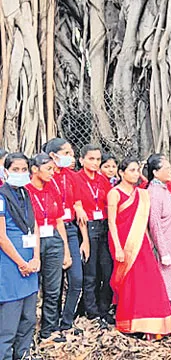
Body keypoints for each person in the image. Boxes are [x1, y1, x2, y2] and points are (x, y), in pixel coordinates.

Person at [106, 158, 171, 338]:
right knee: (129, 283)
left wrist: (149, 241)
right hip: (123, 243)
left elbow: (143, 221)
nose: (136, 174)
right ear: (121, 173)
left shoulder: (142, 194)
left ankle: (153, 324)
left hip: (141, 243)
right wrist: (119, 248)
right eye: (132, 170)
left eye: (138, 170)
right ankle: (130, 324)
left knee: (148, 281)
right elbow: (111, 222)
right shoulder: (115, 193)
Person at [25, 153, 72, 343]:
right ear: (35, 170)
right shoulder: (25, 190)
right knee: (31, 289)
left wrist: (66, 251)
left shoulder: (52, 187)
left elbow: (59, 220)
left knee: (53, 289)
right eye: (49, 169)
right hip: (31, 241)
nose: (53, 173)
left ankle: (48, 329)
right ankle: (26, 332)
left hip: (53, 239)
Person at [43, 138, 88, 334]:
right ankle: (50, 325)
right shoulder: (45, 177)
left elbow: (78, 206)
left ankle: (66, 321)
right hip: (51, 231)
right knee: (54, 283)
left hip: (70, 229)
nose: (71, 157)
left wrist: (85, 239)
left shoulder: (72, 177)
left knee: (77, 279)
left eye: (71, 153)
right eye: (67, 153)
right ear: (53, 156)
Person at [0, 153, 39, 359]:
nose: (20, 174)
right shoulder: (1, 197)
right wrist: (21, 263)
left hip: (30, 265)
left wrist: (36, 258)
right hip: (11, 266)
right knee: (8, 324)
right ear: (5, 172)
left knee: (28, 319)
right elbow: (2, 236)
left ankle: (22, 354)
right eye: (15, 170)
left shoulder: (26, 194)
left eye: (24, 169)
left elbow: (35, 227)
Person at [74, 144, 114, 324]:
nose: (95, 162)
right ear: (81, 160)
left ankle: (104, 308)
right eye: (91, 159)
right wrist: (84, 239)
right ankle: (91, 312)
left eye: (98, 159)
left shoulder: (102, 180)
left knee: (107, 271)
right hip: (88, 228)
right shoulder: (76, 179)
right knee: (90, 273)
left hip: (104, 226)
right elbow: (77, 205)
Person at [146, 154, 171, 311]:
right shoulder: (154, 192)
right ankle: (162, 315)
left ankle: (170, 314)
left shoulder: (164, 189)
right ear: (155, 172)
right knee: (164, 281)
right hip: (164, 245)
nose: (170, 171)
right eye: (166, 168)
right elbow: (154, 224)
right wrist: (163, 252)